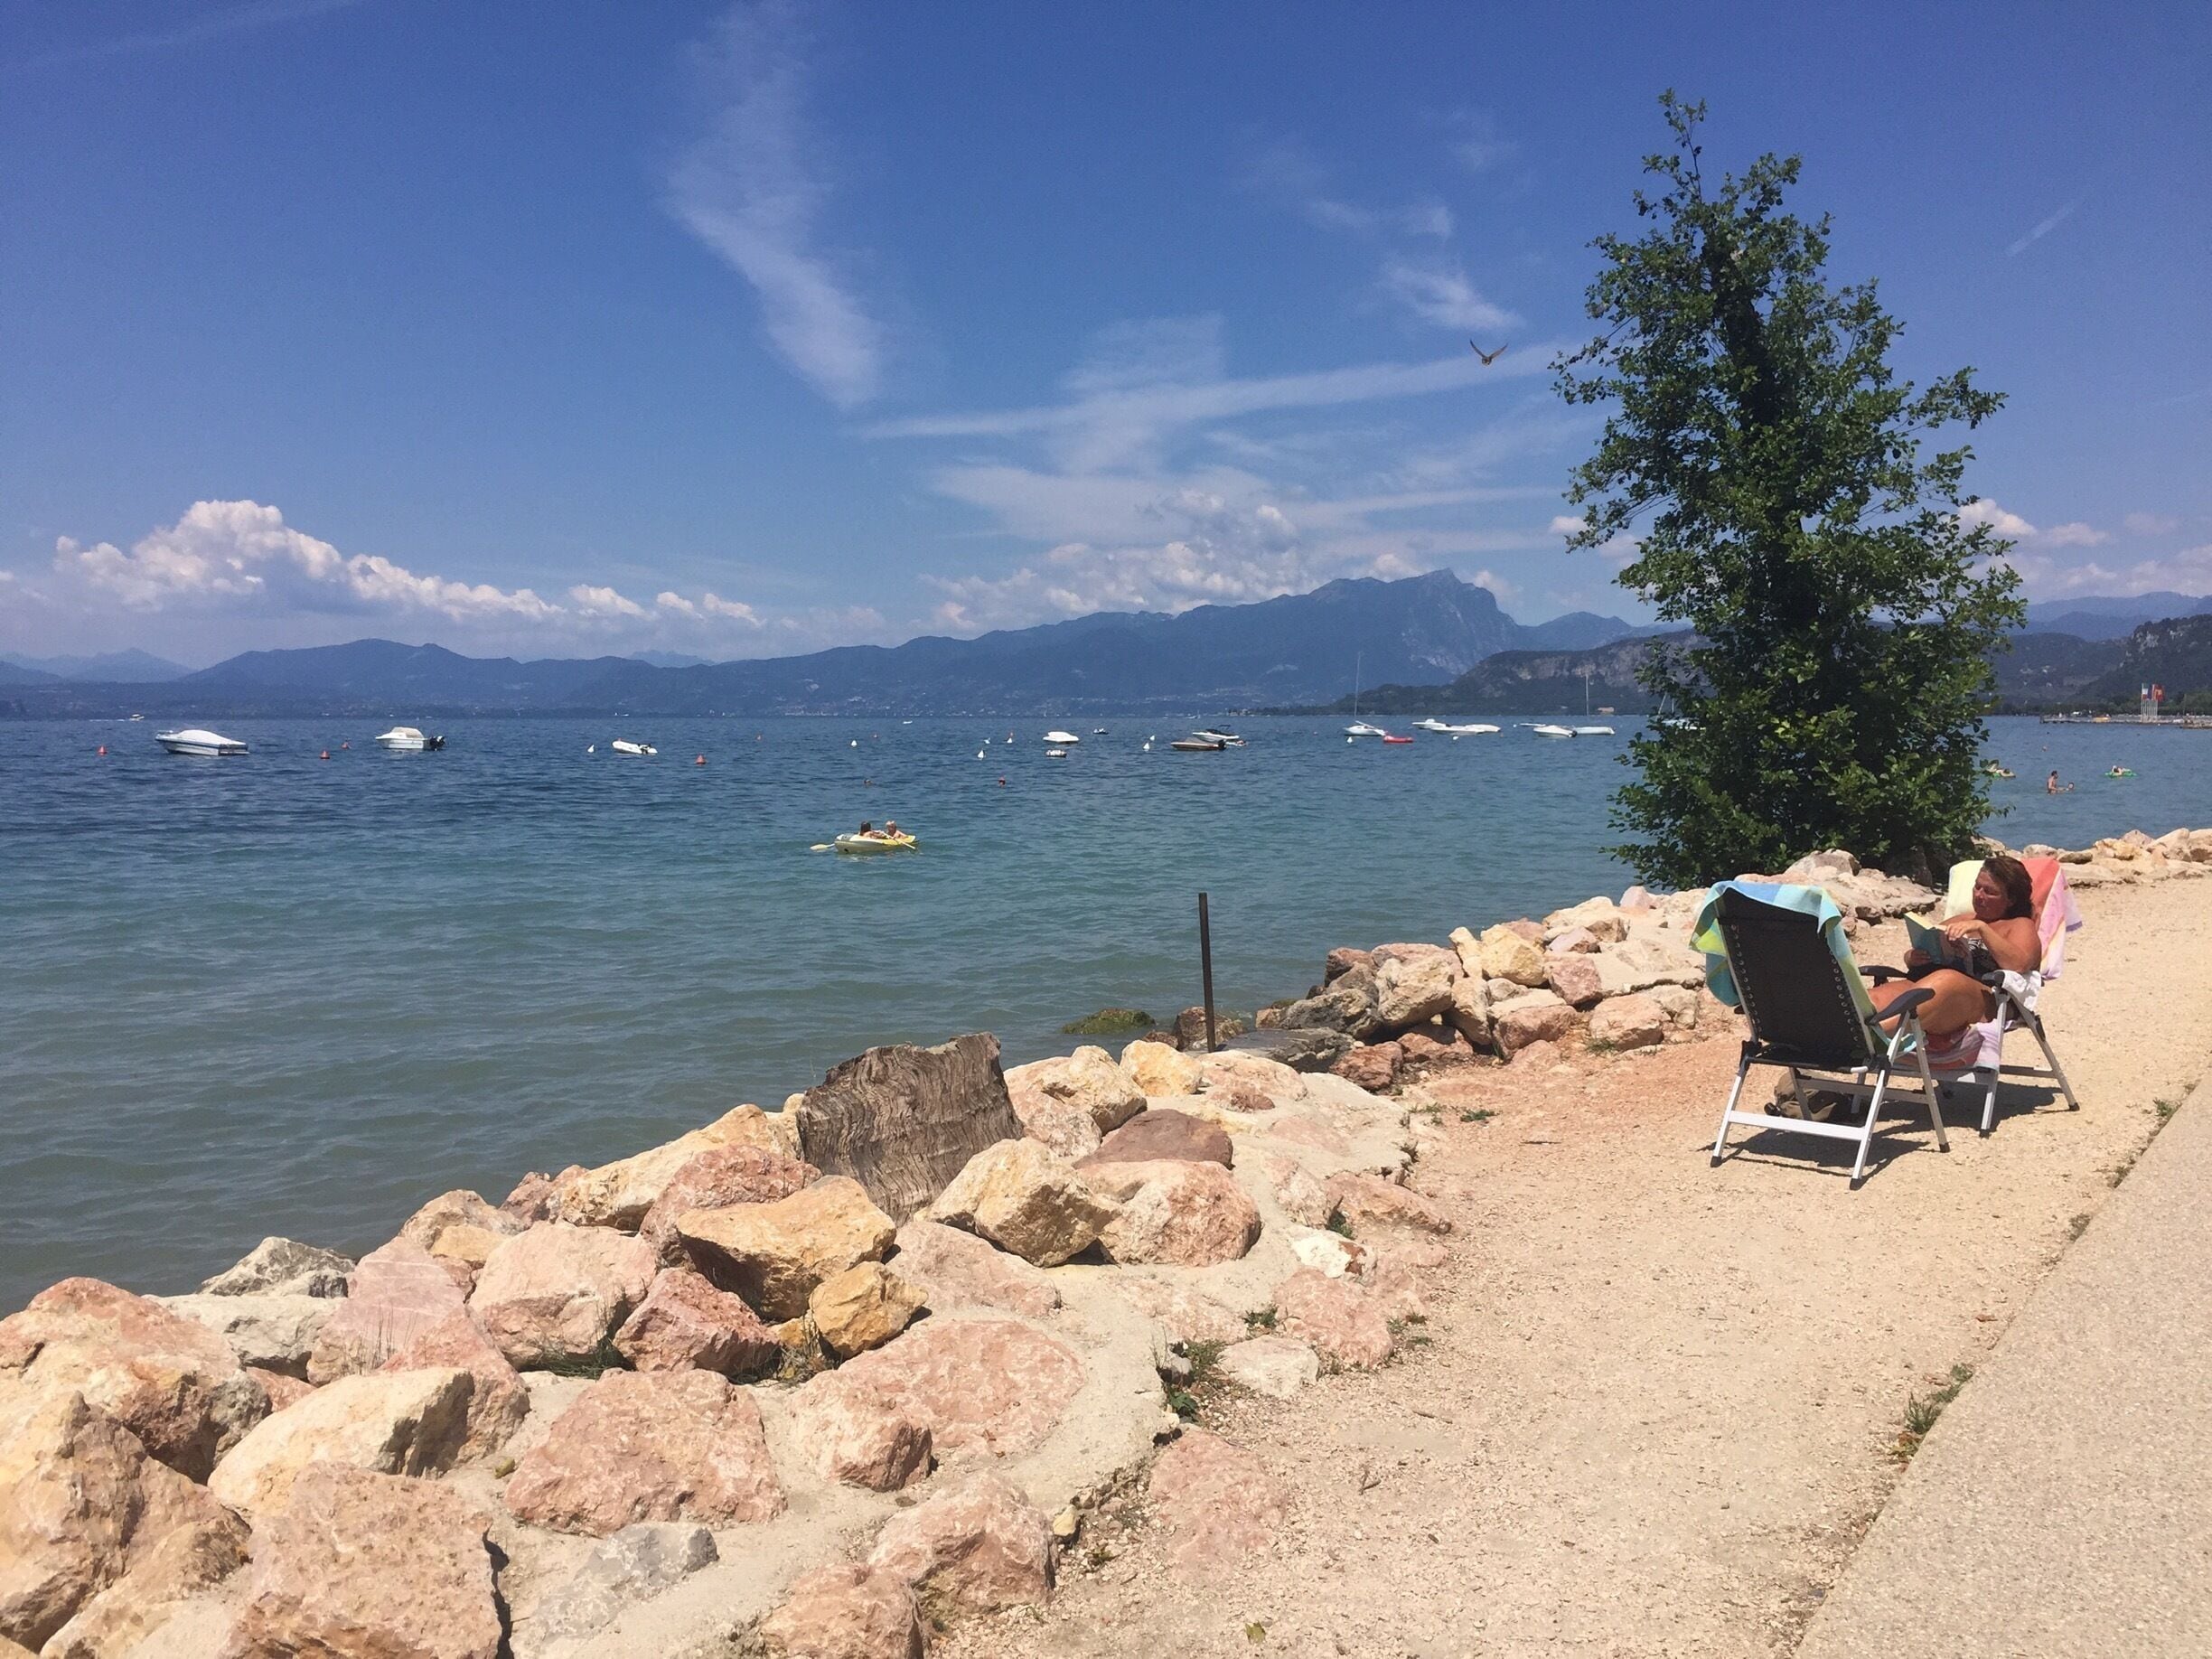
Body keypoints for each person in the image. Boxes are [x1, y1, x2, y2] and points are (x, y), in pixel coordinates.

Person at [1869, 854, 2040, 1057]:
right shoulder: (1961, 919)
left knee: (1947, 981)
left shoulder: (2020, 925)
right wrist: (1912, 957)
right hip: (1932, 988)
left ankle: (1872, 1037)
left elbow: (2020, 964)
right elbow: (1920, 947)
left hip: (1987, 1002)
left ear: (2010, 900)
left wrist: (1982, 929)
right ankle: (1846, 1031)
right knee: (1877, 998)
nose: (1979, 895)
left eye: (1990, 892)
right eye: (1977, 887)